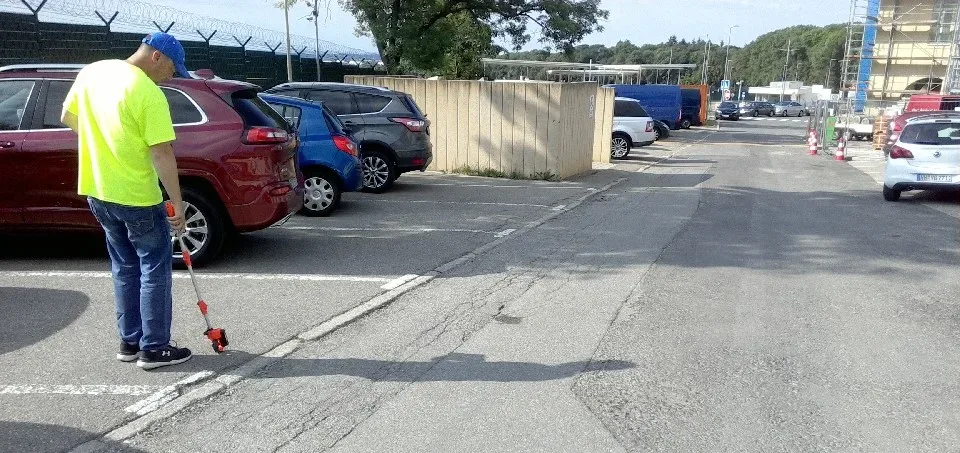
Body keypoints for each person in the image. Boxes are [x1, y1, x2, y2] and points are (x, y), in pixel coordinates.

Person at [60, 32, 193, 370]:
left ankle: (129, 341)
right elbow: (162, 152)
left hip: (98, 190)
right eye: (174, 69)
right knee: (154, 267)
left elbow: (68, 117)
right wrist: (176, 203)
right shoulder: (147, 93)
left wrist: (102, 141)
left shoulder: (93, 72)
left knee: (124, 266)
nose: (173, 76)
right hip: (137, 196)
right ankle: (154, 348)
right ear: (157, 58)